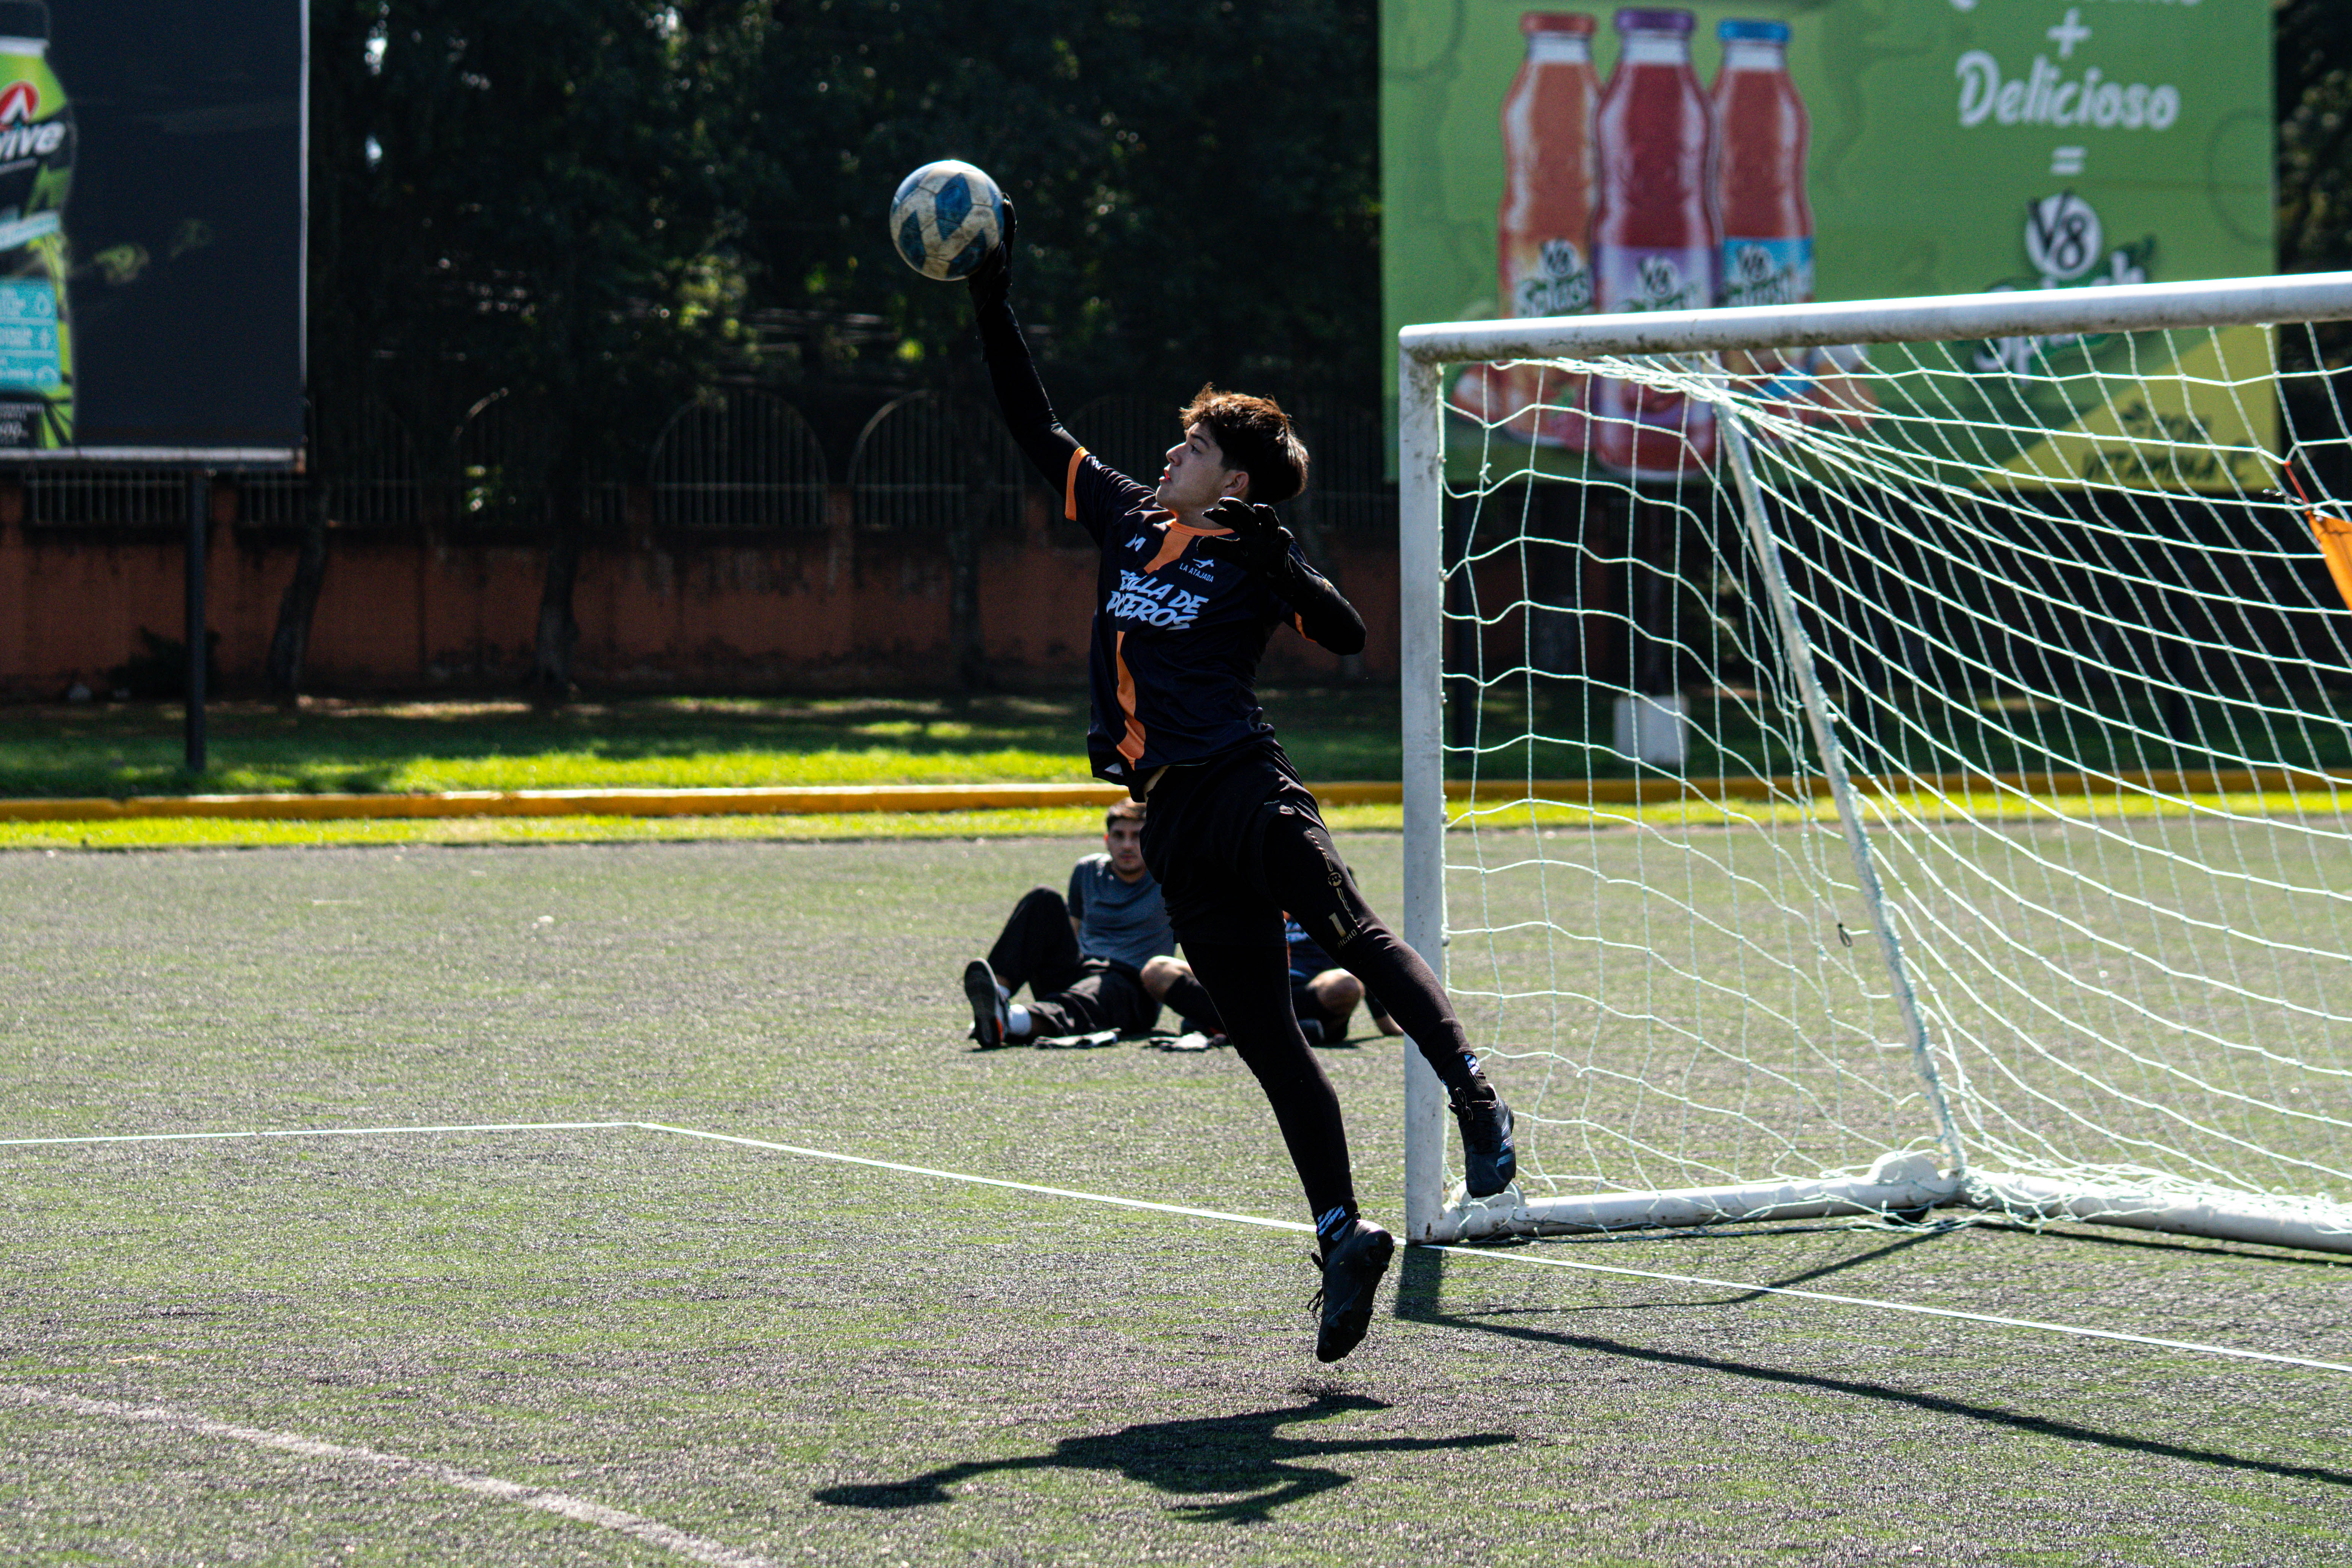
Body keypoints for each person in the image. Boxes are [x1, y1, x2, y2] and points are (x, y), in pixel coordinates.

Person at [964, 207, 1517, 1363]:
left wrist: (1282, 559)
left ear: (1239, 476)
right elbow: (1034, 420)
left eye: (1193, 448)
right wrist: (989, 294)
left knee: (1351, 931)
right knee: (1268, 1039)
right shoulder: (1127, 518)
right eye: (1174, 446)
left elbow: (1349, 630)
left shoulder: (1251, 552)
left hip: (1245, 785)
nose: (1169, 456)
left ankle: (1473, 1091)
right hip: (1169, 821)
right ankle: (1341, 1230)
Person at [964, 800, 1192, 1046]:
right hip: (1082, 972)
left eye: (1137, 836)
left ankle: (1009, 1021)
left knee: (1096, 990)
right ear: (1107, 840)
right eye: (1119, 835)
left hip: (1132, 988)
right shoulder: (1087, 870)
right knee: (1044, 899)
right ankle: (996, 997)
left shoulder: (1169, 878)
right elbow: (1072, 933)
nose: (1127, 845)